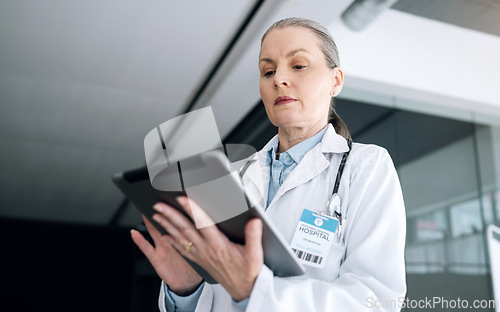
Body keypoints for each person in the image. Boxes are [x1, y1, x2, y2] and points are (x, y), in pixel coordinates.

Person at [130, 17, 406, 312]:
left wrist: (255, 291)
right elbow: (214, 297)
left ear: (335, 81)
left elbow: (375, 300)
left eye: (298, 66)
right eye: (268, 71)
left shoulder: (365, 166)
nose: (278, 79)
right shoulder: (230, 175)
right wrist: (186, 289)